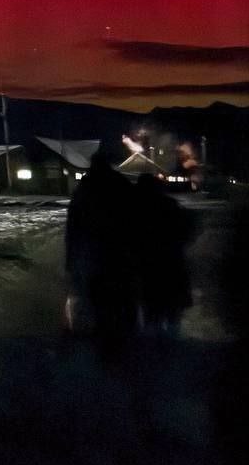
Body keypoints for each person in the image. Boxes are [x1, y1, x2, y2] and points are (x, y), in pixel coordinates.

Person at [65, 149, 137, 353]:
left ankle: (101, 338)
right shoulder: (121, 184)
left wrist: (71, 259)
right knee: (121, 295)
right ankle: (123, 338)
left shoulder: (84, 188)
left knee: (96, 296)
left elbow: (73, 226)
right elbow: (135, 219)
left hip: (92, 253)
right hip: (119, 252)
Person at [133, 173, 196, 335]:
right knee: (172, 313)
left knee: (151, 313)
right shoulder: (170, 205)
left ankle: (155, 348)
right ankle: (171, 347)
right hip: (171, 265)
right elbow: (187, 232)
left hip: (147, 268)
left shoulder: (136, 210)